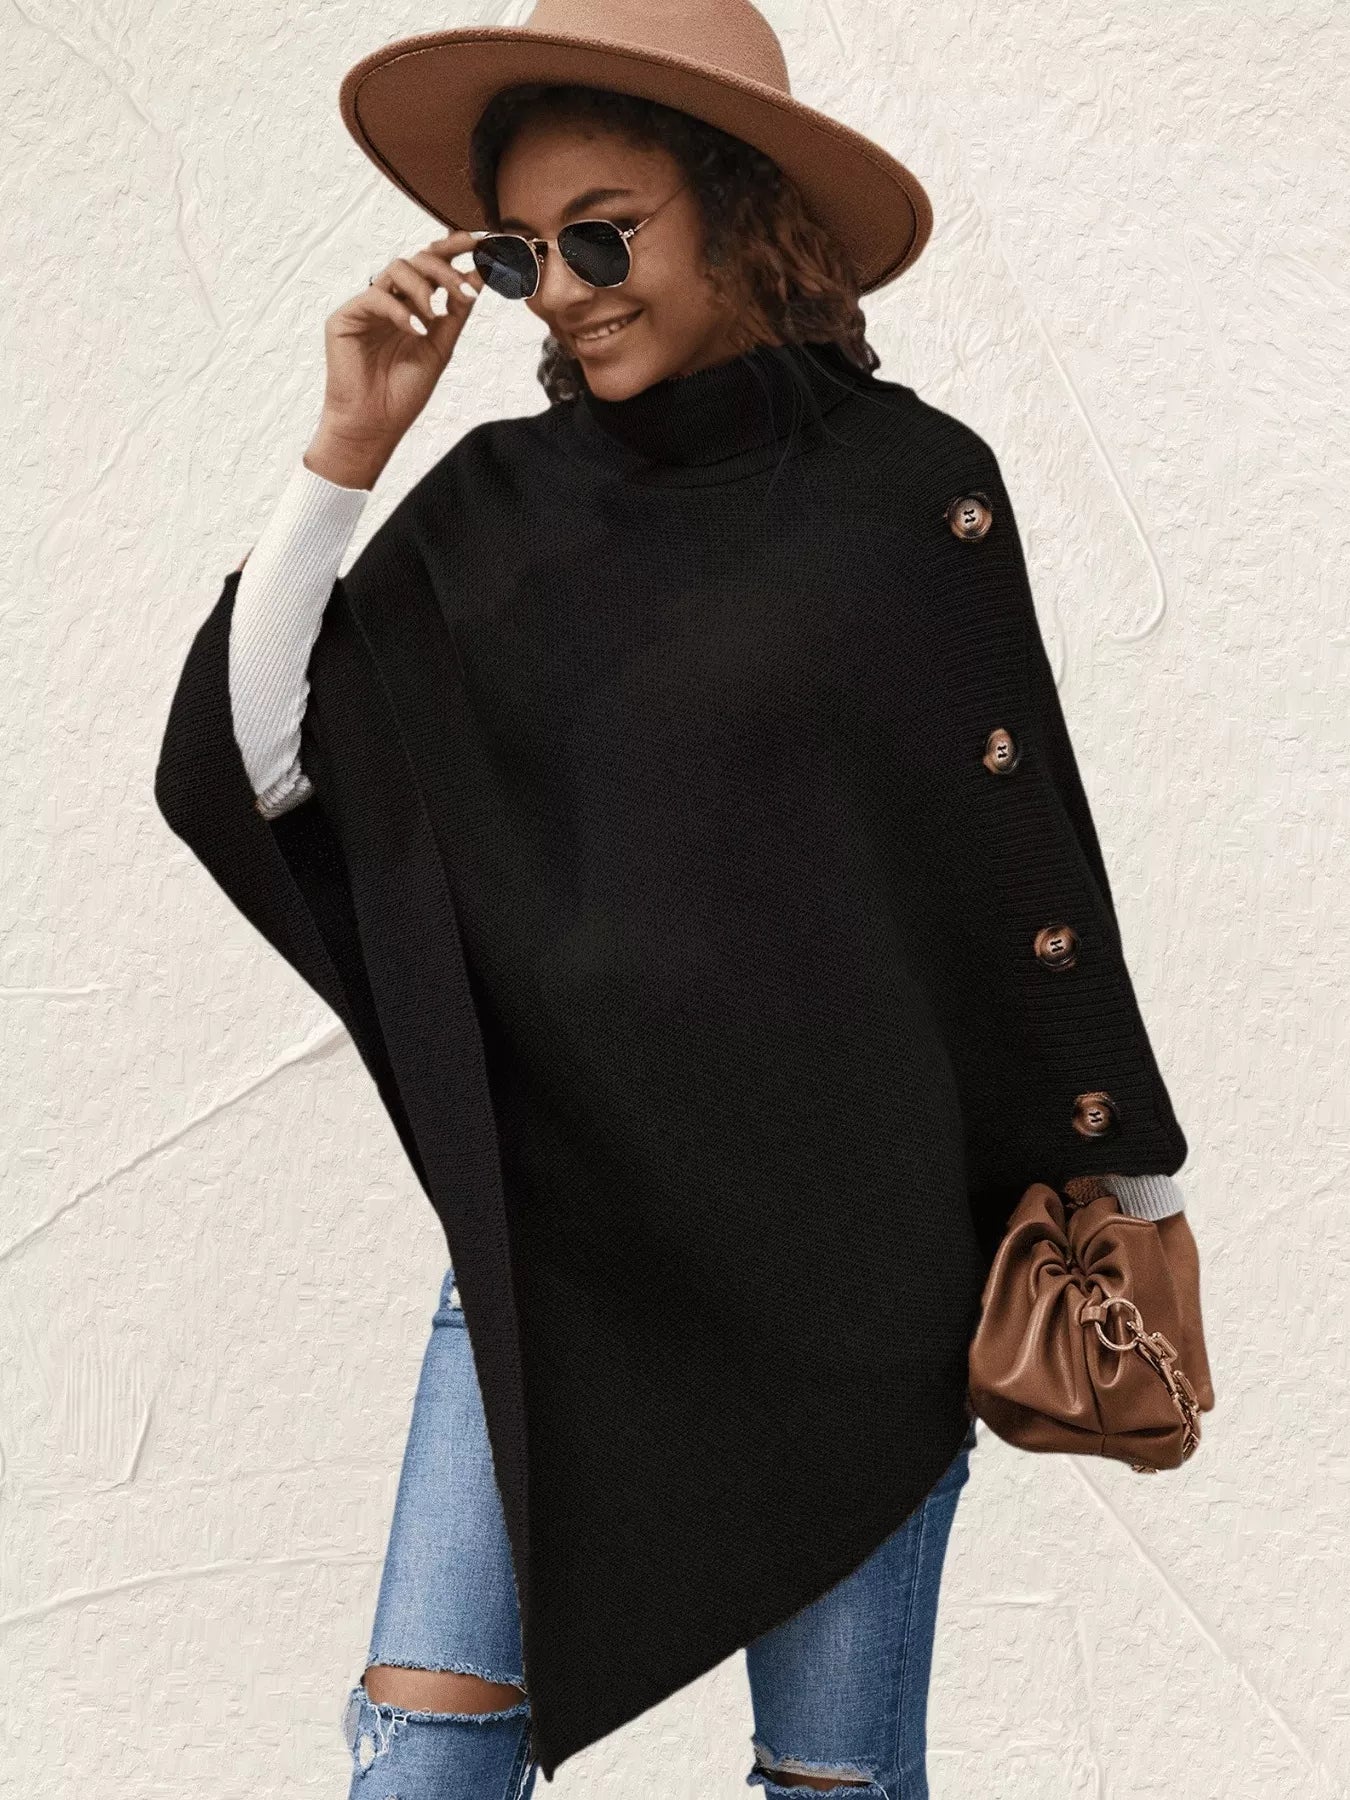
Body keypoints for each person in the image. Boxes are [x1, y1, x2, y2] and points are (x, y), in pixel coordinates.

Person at [156, 4, 1190, 1794]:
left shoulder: (911, 493)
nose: (559, 288)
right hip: (564, 1263)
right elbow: (249, 766)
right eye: (517, 252)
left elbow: (1023, 869)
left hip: (861, 1262)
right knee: (422, 1754)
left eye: (604, 233)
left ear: (737, 208)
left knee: (834, 1785)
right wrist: (344, 452)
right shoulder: (493, 510)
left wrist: (1143, 1202)